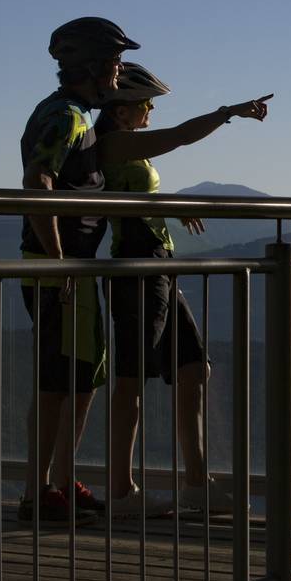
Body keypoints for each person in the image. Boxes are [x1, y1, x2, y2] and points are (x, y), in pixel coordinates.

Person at [96, 63, 270, 515]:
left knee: (194, 368)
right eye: (145, 104)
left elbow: (139, 195)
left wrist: (172, 206)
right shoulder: (114, 145)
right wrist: (228, 111)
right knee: (132, 378)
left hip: (159, 263)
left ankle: (196, 483)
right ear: (120, 112)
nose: (151, 111)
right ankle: (120, 492)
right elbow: (181, 135)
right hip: (135, 267)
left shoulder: (129, 149)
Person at [17, 16, 137, 524]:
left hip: (59, 263)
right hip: (64, 266)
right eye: (113, 63)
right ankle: (43, 491)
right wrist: (62, 256)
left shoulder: (66, 113)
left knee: (72, 377)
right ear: (92, 67)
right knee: (65, 379)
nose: (119, 72)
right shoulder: (67, 117)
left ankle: (54, 484)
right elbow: (37, 180)